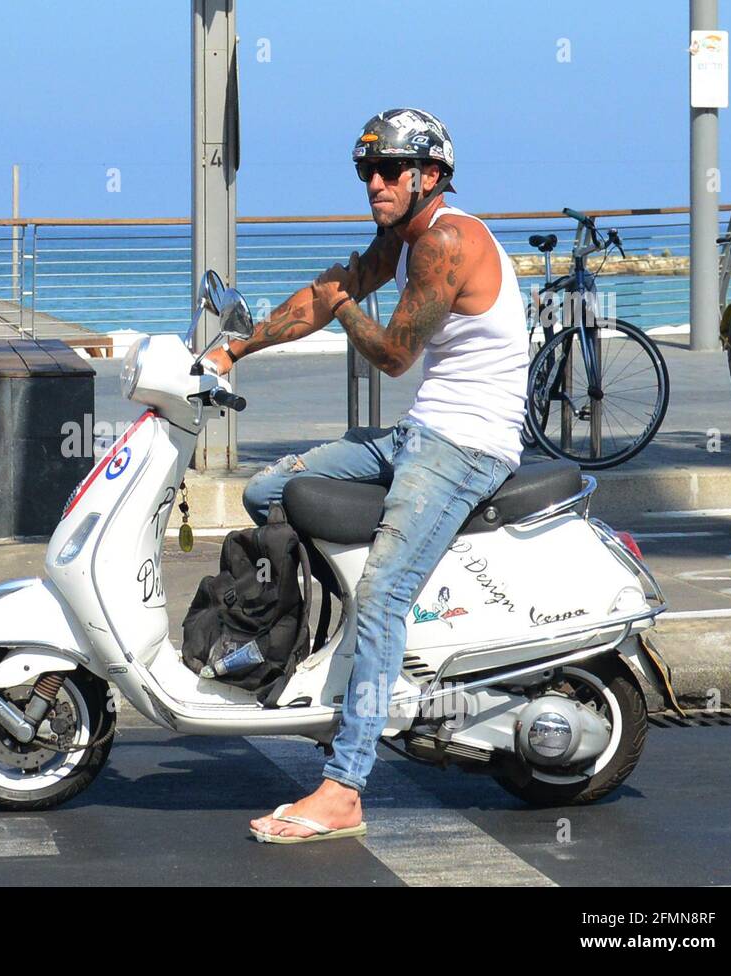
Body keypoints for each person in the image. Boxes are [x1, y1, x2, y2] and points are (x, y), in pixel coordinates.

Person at [202, 108, 529, 843]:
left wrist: (344, 302)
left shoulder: (447, 239)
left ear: (429, 176)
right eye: (366, 172)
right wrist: (231, 352)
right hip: (421, 434)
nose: (375, 183)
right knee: (268, 491)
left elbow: (390, 354)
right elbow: (327, 294)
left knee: (383, 594)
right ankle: (320, 659)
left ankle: (345, 786)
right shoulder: (404, 238)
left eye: (388, 171)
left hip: (467, 446)